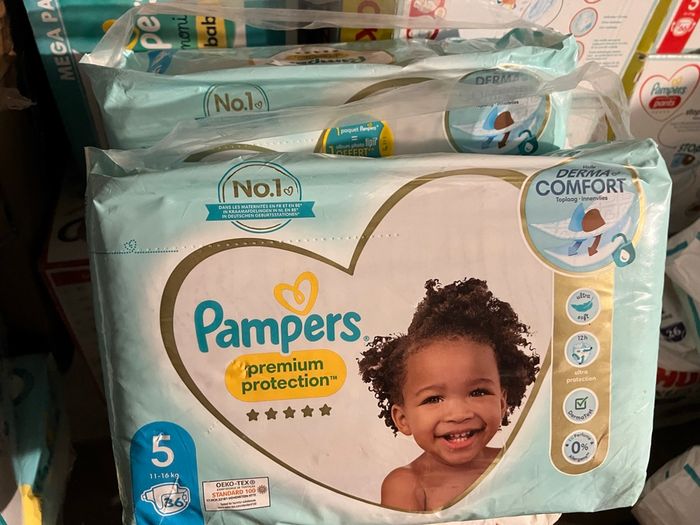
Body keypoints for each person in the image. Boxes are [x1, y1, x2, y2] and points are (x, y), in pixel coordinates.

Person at [358, 278, 540, 511]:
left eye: (478, 392)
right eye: (433, 399)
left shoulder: (521, 465)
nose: (459, 414)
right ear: (402, 419)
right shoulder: (407, 486)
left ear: (502, 402)